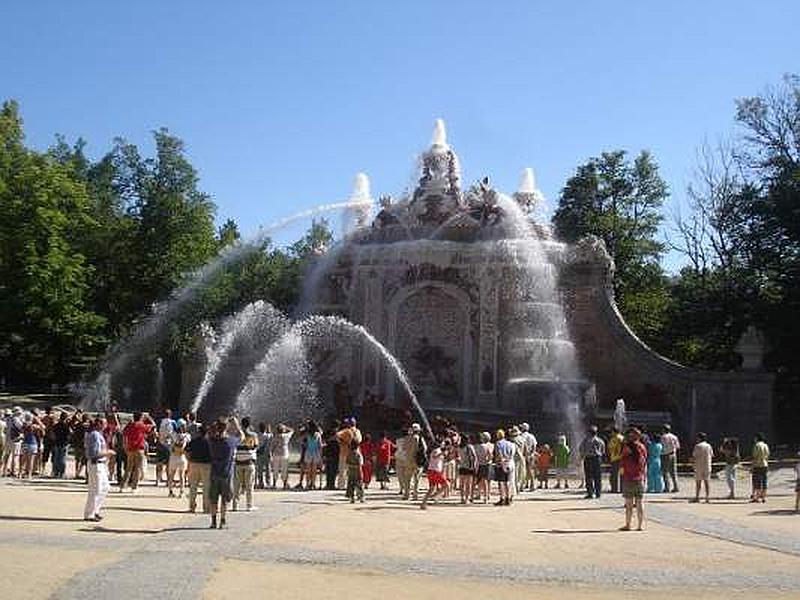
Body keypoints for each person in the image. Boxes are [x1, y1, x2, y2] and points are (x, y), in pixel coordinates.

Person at [208, 417, 243, 529]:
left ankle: (213, 521)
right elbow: (242, 436)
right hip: (226, 474)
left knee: (213, 499)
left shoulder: (212, 441)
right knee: (225, 499)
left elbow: (208, 433)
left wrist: (216, 425)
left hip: (214, 473)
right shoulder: (231, 441)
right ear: (227, 428)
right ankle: (222, 521)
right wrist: (236, 424)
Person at [84, 417, 114, 522]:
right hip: (95, 464)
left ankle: (95, 510)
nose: (106, 425)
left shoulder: (97, 434)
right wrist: (108, 452)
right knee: (96, 489)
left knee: (105, 487)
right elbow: (94, 454)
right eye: (104, 423)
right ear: (99, 424)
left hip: (100, 464)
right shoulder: (94, 435)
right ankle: (89, 514)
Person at [619, 428, 647, 531]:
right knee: (640, 503)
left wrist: (622, 475)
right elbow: (644, 463)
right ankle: (640, 525)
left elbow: (622, 464)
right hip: (639, 478)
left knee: (629, 504)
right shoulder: (642, 447)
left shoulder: (626, 448)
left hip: (628, 478)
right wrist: (644, 476)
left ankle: (628, 524)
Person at [120, 412, 155, 492]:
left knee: (128, 468)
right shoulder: (141, 425)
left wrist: (125, 446)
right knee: (137, 468)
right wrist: (149, 418)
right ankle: (134, 486)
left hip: (130, 448)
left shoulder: (130, 425)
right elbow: (153, 425)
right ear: (140, 417)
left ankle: (123, 486)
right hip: (139, 448)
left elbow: (124, 434)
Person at [232, 417, 258, 511]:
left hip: (238, 462)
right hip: (249, 462)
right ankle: (249, 505)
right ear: (250, 425)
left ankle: (235, 505)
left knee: (237, 485)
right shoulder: (253, 435)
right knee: (249, 485)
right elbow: (255, 447)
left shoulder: (237, 435)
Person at [186, 425, 211, 513]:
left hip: (194, 463)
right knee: (206, 487)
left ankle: (192, 506)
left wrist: (189, 459)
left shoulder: (194, 441)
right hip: (207, 465)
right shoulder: (209, 442)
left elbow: (187, 451)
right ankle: (206, 507)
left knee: (193, 486)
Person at [579, 426, 605, 499]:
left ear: (589, 433)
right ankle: (598, 493)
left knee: (589, 477)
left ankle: (590, 493)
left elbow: (581, 449)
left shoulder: (586, 440)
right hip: (597, 459)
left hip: (589, 459)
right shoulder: (600, 440)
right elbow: (603, 450)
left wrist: (582, 456)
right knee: (598, 477)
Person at [420, 440, 448, 509]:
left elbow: (441, 461)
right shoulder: (436, 450)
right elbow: (435, 456)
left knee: (431, 489)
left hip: (433, 471)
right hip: (434, 471)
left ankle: (424, 503)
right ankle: (435, 495)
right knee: (446, 484)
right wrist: (441, 453)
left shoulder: (439, 451)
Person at [336, 418, 363, 489]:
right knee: (354, 470)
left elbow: (337, 435)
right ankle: (354, 485)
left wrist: (342, 441)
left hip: (344, 452)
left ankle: (341, 485)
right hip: (355, 452)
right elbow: (359, 441)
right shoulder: (358, 431)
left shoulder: (346, 431)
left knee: (342, 470)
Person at [492, 429, 515, 506]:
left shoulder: (498, 443)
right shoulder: (511, 444)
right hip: (510, 462)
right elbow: (512, 454)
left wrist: (499, 462)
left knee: (501, 482)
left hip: (501, 463)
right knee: (508, 482)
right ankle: (508, 498)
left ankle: (502, 498)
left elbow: (498, 454)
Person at [691, 432, 713, 503]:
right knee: (707, 482)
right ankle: (707, 497)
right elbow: (712, 455)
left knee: (698, 483)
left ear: (699, 438)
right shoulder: (709, 446)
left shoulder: (697, 446)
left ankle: (697, 497)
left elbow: (694, 456)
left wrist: (692, 462)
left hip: (699, 466)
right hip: (707, 466)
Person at [270, 424, 293, 489]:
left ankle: (274, 484)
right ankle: (285, 484)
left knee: (275, 469)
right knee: (284, 470)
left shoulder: (275, 437)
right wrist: (286, 427)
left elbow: (272, 446)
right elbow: (292, 430)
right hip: (284, 454)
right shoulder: (286, 436)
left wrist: (271, 453)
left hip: (276, 454)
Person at [473, 431, 493, 503]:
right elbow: (490, 455)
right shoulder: (488, 446)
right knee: (486, 481)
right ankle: (486, 496)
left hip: (478, 464)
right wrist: (488, 460)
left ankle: (475, 495)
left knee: (477, 480)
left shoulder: (475, 446)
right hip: (486, 464)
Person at [457, 434, 477, 503]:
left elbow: (458, 456)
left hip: (462, 466)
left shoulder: (459, 447)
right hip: (469, 467)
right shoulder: (470, 447)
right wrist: (474, 465)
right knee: (468, 484)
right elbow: (474, 457)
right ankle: (466, 498)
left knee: (462, 483)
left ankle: (462, 497)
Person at [750, 433, 770, 503]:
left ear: (757, 438)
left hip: (757, 465)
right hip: (765, 464)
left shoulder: (756, 445)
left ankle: (757, 497)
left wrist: (752, 466)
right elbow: (767, 455)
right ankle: (763, 497)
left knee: (757, 481)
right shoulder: (765, 445)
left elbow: (755, 457)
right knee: (764, 481)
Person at [660, 424, 681, 493]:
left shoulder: (663, 437)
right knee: (673, 472)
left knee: (665, 472)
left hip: (665, 455)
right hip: (673, 454)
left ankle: (667, 487)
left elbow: (661, 446)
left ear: (663, 430)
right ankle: (676, 487)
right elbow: (678, 446)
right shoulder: (674, 437)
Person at [518, 423, 537, 491]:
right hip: (530, 454)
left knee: (523, 470)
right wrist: (532, 453)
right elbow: (534, 445)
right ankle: (532, 485)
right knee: (531, 470)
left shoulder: (521, 436)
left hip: (523, 455)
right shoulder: (531, 436)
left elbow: (522, 446)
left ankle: (522, 486)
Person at [51, 411, 70, 478]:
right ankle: (62, 473)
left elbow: (53, 435)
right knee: (63, 458)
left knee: (56, 458)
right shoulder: (66, 426)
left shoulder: (56, 425)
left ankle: (55, 472)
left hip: (57, 443)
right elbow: (69, 434)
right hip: (64, 443)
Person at [345, 439, 365, 503]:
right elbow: (360, 464)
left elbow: (347, 462)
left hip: (351, 471)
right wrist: (360, 473)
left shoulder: (349, 453)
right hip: (357, 471)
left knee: (351, 485)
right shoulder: (358, 454)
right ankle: (361, 497)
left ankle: (352, 497)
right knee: (359, 485)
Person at [255, 422, 272, 490]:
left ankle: (260, 482)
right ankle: (268, 483)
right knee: (268, 468)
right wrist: (269, 429)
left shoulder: (256, 435)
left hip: (259, 454)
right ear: (265, 429)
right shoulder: (269, 436)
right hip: (267, 454)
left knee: (259, 469)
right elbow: (271, 434)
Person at [607, 427, 624, 493]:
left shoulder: (614, 439)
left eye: (611, 432)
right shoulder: (622, 438)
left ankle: (614, 489)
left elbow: (609, 448)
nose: (611, 433)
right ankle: (622, 489)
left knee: (614, 475)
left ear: (614, 432)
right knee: (622, 474)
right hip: (622, 458)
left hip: (615, 458)